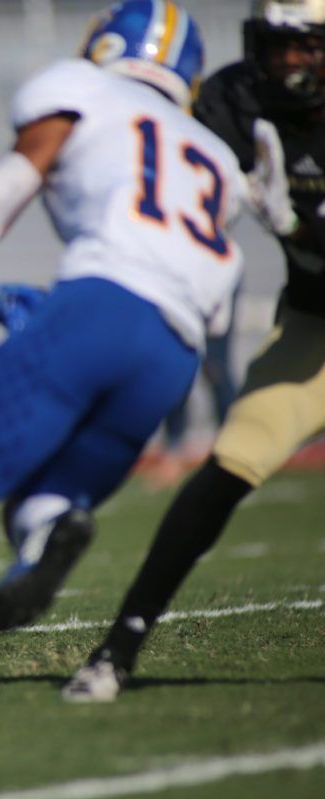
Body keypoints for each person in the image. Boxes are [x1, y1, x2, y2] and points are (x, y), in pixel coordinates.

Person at [0, 0, 244, 726]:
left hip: (98, 307)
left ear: (106, 45)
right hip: (172, 352)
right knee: (47, 499)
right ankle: (51, 528)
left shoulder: (78, 88)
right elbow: (210, 302)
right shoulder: (214, 154)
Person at [64, 0, 325, 703]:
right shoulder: (237, 100)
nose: (286, 64)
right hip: (312, 327)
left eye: (303, 48)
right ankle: (117, 651)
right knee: (224, 471)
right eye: (275, 47)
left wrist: (298, 229)